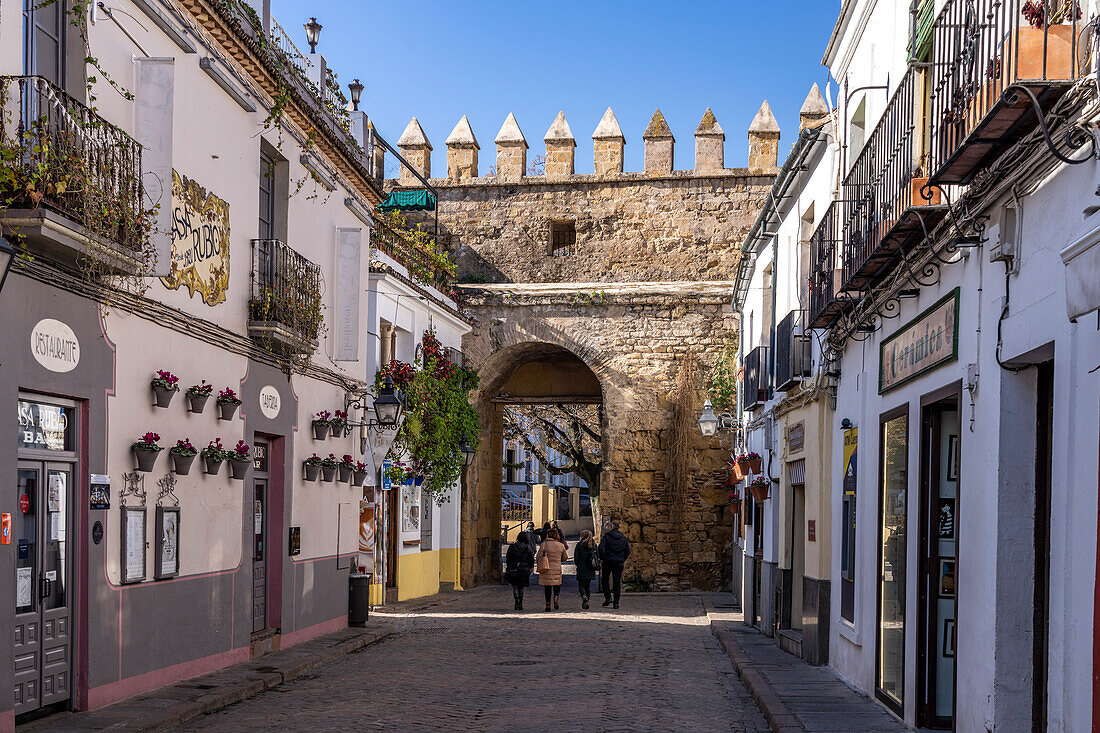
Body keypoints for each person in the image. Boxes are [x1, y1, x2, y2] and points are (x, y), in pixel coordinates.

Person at [598, 520, 631, 609]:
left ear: (611, 527)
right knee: (617, 582)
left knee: (604, 579)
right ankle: (616, 603)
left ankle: (608, 598)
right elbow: (628, 551)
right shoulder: (623, 538)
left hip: (608, 561)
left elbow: (600, 548)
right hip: (618, 562)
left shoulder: (607, 537)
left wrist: (602, 558)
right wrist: (622, 559)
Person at [535, 527, 569, 612]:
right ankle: (556, 597)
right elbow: (565, 558)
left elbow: (538, 556)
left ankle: (548, 604)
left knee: (547, 587)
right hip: (557, 568)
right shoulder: (560, 545)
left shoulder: (544, 544)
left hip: (546, 568)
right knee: (557, 585)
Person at [505, 533, 535, 611]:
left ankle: (516, 599)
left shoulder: (512, 546)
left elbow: (508, 557)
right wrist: (531, 567)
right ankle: (520, 602)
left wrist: (509, 567)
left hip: (514, 567)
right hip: (524, 568)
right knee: (521, 586)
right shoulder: (528, 548)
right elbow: (531, 559)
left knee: (514, 585)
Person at [573, 529, 599, 609]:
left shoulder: (579, 545)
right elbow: (597, 556)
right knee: (587, 585)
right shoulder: (594, 545)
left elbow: (576, 558)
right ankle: (587, 601)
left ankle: (584, 597)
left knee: (581, 584)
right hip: (590, 568)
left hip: (581, 567)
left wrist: (578, 564)